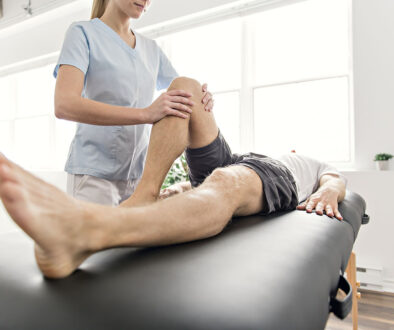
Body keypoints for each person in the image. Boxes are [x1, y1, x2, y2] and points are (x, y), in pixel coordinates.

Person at [0, 77, 346, 280]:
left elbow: (334, 180)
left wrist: (329, 190)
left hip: (268, 175)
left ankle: (84, 232)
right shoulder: (268, 156)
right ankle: (145, 193)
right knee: (184, 89)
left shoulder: (305, 165)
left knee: (227, 182)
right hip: (242, 158)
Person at [53, 0, 214, 205]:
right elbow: (64, 104)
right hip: (93, 178)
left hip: (138, 180)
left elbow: (183, 93)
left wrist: (202, 99)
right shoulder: (82, 33)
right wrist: (146, 114)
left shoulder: (151, 48)